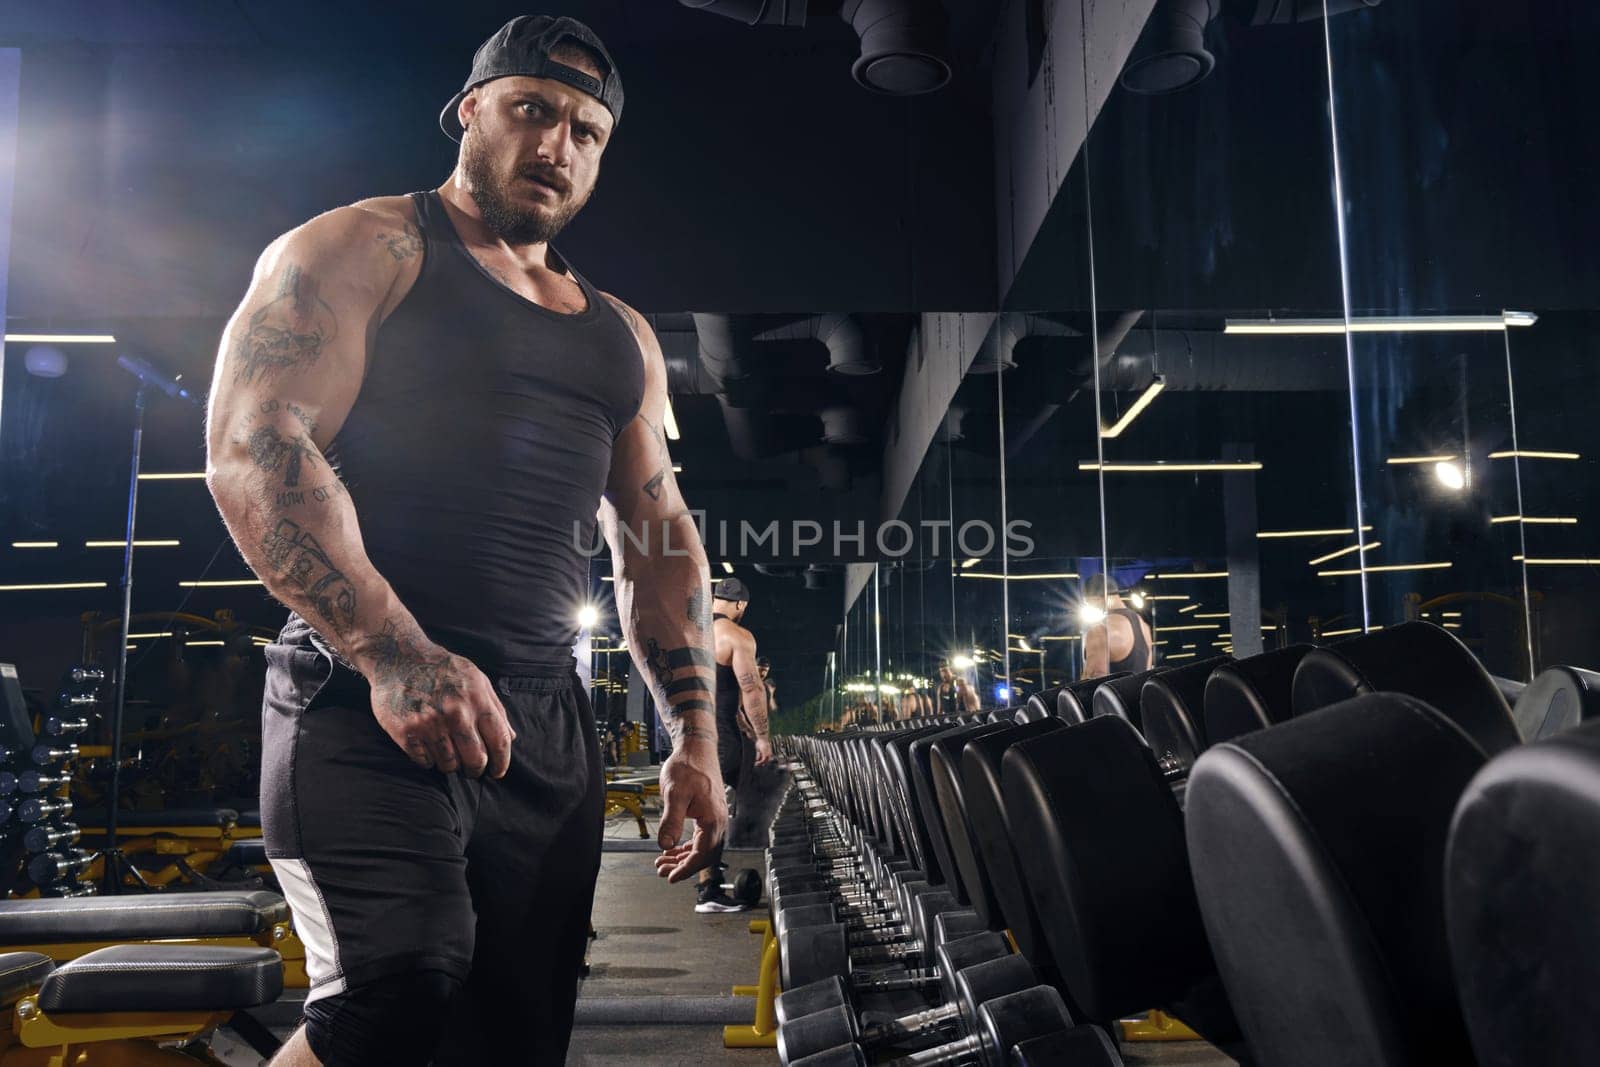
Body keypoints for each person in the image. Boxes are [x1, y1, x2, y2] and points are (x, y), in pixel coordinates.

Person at [204, 17, 728, 1065]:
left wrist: (696, 738)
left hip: (547, 729)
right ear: (469, 112)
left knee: (513, 1031)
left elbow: (660, 538)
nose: (556, 146)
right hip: (361, 702)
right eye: (532, 110)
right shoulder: (364, 247)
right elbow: (255, 445)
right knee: (393, 990)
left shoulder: (618, 333)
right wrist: (395, 654)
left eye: (585, 130)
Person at [695, 576, 772, 912]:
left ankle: (707, 875)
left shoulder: (688, 628)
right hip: (721, 735)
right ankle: (709, 891)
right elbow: (751, 689)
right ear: (740, 605)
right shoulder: (736, 635)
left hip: (689, 730)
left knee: (703, 807)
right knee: (718, 810)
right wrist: (763, 737)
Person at [1081, 574, 1154, 678]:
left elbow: (1093, 679)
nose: (1088, 606)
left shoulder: (1100, 630)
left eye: (1087, 603)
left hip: (1112, 694)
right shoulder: (1144, 626)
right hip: (1140, 693)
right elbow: (1146, 672)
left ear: (1096, 598)